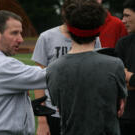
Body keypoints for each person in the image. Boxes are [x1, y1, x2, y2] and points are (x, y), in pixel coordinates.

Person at [46, 0, 127, 135]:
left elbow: (59, 107)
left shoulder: (53, 69)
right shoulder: (115, 65)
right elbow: (120, 108)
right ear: (98, 29)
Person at [31, 0, 102, 134]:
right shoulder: (46, 37)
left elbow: (96, 73)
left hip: (84, 112)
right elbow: (38, 81)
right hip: (54, 113)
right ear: (64, 13)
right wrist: (42, 120)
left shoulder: (93, 37)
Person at [115, 0, 135, 134]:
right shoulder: (123, 43)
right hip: (125, 117)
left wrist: (130, 77)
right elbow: (117, 79)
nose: (123, 20)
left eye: (127, 16)